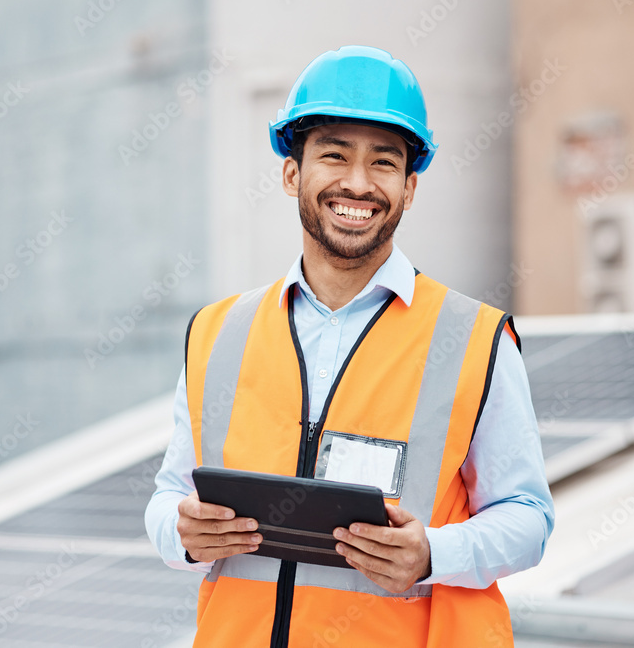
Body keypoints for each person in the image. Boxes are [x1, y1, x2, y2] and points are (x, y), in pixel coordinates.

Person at [145, 45, 554, 648]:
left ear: (410, 186)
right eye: (334, 155)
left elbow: (529, 519)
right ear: (293, 172)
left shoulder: (475, 340)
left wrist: (434, 552)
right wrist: (182, 536)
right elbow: (169, 498)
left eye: (384, 162)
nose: (358, 184)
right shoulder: (218, 332)